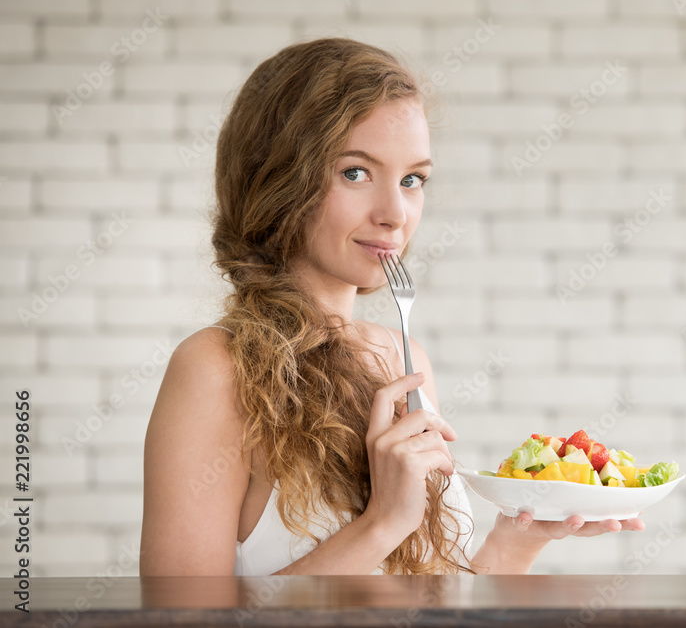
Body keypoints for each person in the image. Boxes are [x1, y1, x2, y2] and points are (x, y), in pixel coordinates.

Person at [139, 37, 645, 577]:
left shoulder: (404, 358)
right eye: (355, 172)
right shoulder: (215, 369)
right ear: (278, 179)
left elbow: (432, 597)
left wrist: (517, 541)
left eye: (412, 180)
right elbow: (182, 617)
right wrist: (382, 522)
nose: (395, 213)